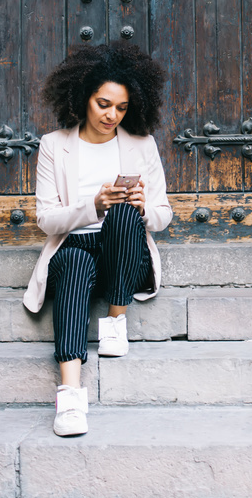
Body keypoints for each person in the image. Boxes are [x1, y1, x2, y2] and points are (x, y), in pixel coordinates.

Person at [23, 42, 172, 437]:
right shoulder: (55, 145)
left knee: (125, 213)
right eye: (104, 104)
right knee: (73, 262)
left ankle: (115, 322)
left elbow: (163, 215)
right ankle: (70, 397)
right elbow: (46, 219)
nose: (112, 115)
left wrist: (142, 207)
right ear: (83, 96)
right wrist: (93, 205)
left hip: (122, 256)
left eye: (121, 108)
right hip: (73, 248)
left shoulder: (142, 145)